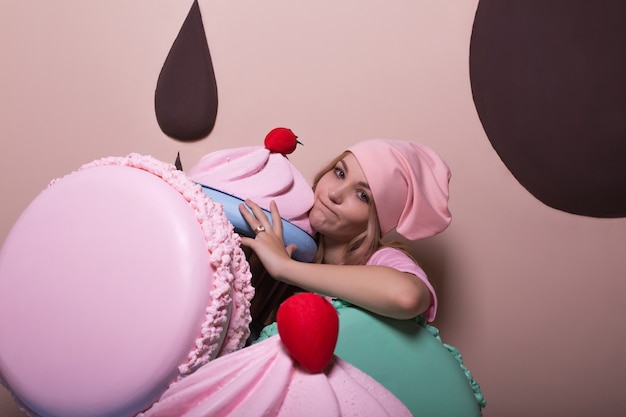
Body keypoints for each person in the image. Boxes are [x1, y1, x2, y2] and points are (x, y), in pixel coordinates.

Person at [238, 138, 452, 322]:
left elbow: (407, 296)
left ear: (377, 220)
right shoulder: (289, 230)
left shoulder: (380, 260)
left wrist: (284, 267)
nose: (334, 194)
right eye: (339, 173)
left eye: (362, 195)